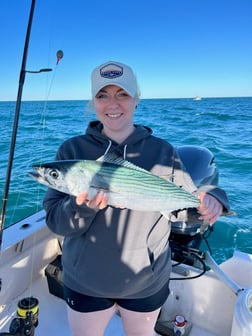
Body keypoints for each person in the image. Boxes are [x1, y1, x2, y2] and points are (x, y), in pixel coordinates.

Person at [43, 61, 230, 336]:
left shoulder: (163, 151)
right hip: (85, 281)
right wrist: (80, 207)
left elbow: (184, 209)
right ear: (93, 102)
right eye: (102, 95)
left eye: (123, 94)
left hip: (146, 281)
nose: (113, 103)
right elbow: (57, 223)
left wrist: (214, 197)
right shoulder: (72, 150)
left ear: (136, 99)